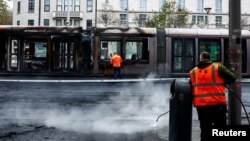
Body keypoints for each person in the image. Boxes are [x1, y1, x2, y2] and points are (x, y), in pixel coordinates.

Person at [189, 52, 236, 141]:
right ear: (210, 59)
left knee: (205, 130)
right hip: (218, 105)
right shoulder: (218, 67)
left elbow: (191, 87)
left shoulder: (193, 72)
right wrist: (224, 82)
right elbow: (232, 77)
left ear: (200, 59)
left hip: (202, 106)